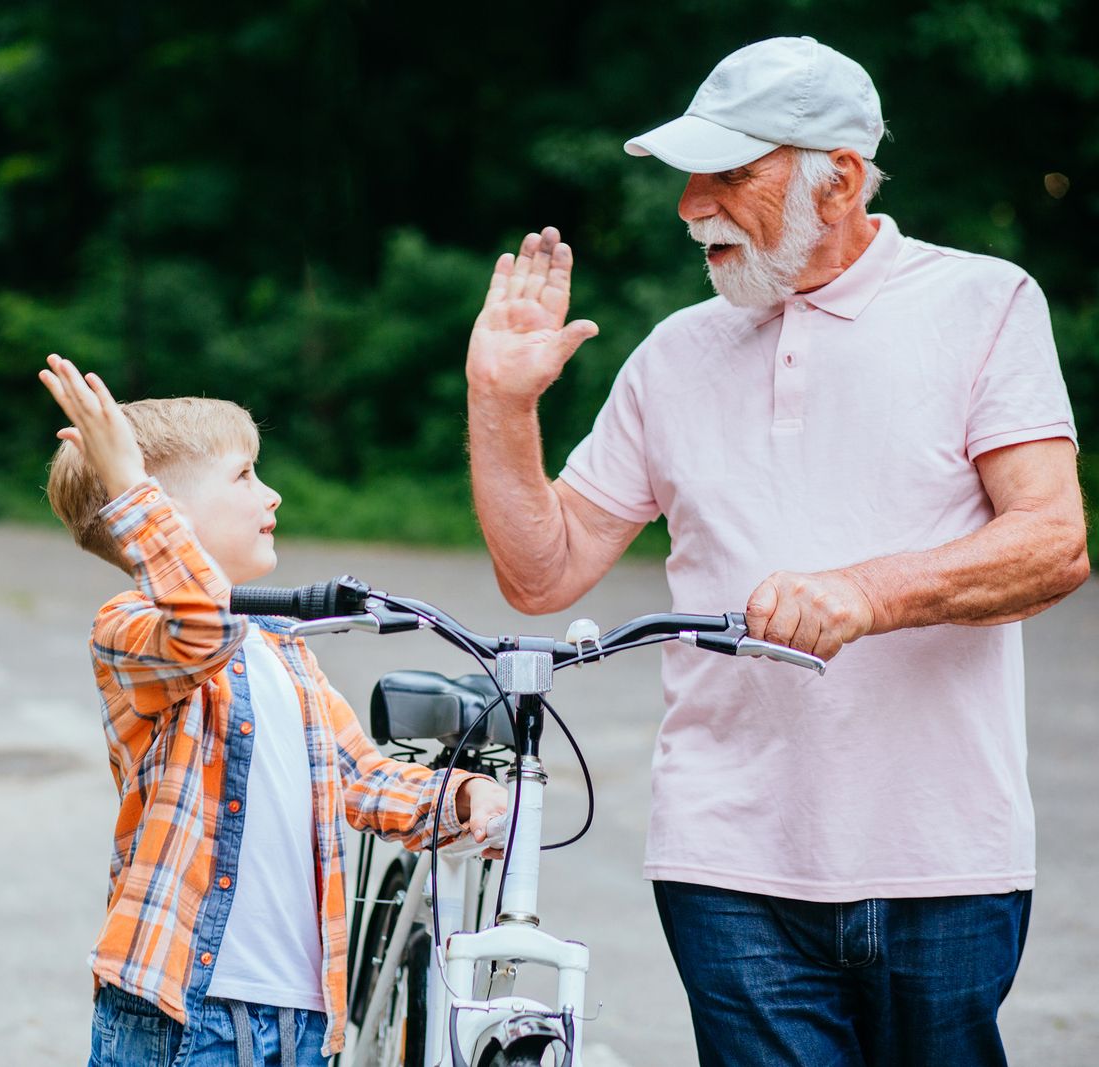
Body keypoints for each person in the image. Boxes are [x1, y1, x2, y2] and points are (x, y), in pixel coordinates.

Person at [464, 35, 1088, 1067]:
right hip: (726, 855)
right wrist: (500, 404)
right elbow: (544, 570)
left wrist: (862, 593)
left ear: (837, 178)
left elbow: (1052, 540)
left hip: (944, 850)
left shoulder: (983, 304)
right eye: (688, 175)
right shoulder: (674, 352)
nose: (688, 204)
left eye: (729, 174)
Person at [38, 353, 509, 1067]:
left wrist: (460, 795)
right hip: (182, 1012)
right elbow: (200, 624)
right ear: (166, 511)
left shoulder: (285, 650)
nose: (273, 494)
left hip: (302, 1019)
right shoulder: (130, 629)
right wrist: (130, 481)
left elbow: (361, 776)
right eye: (244, 475)